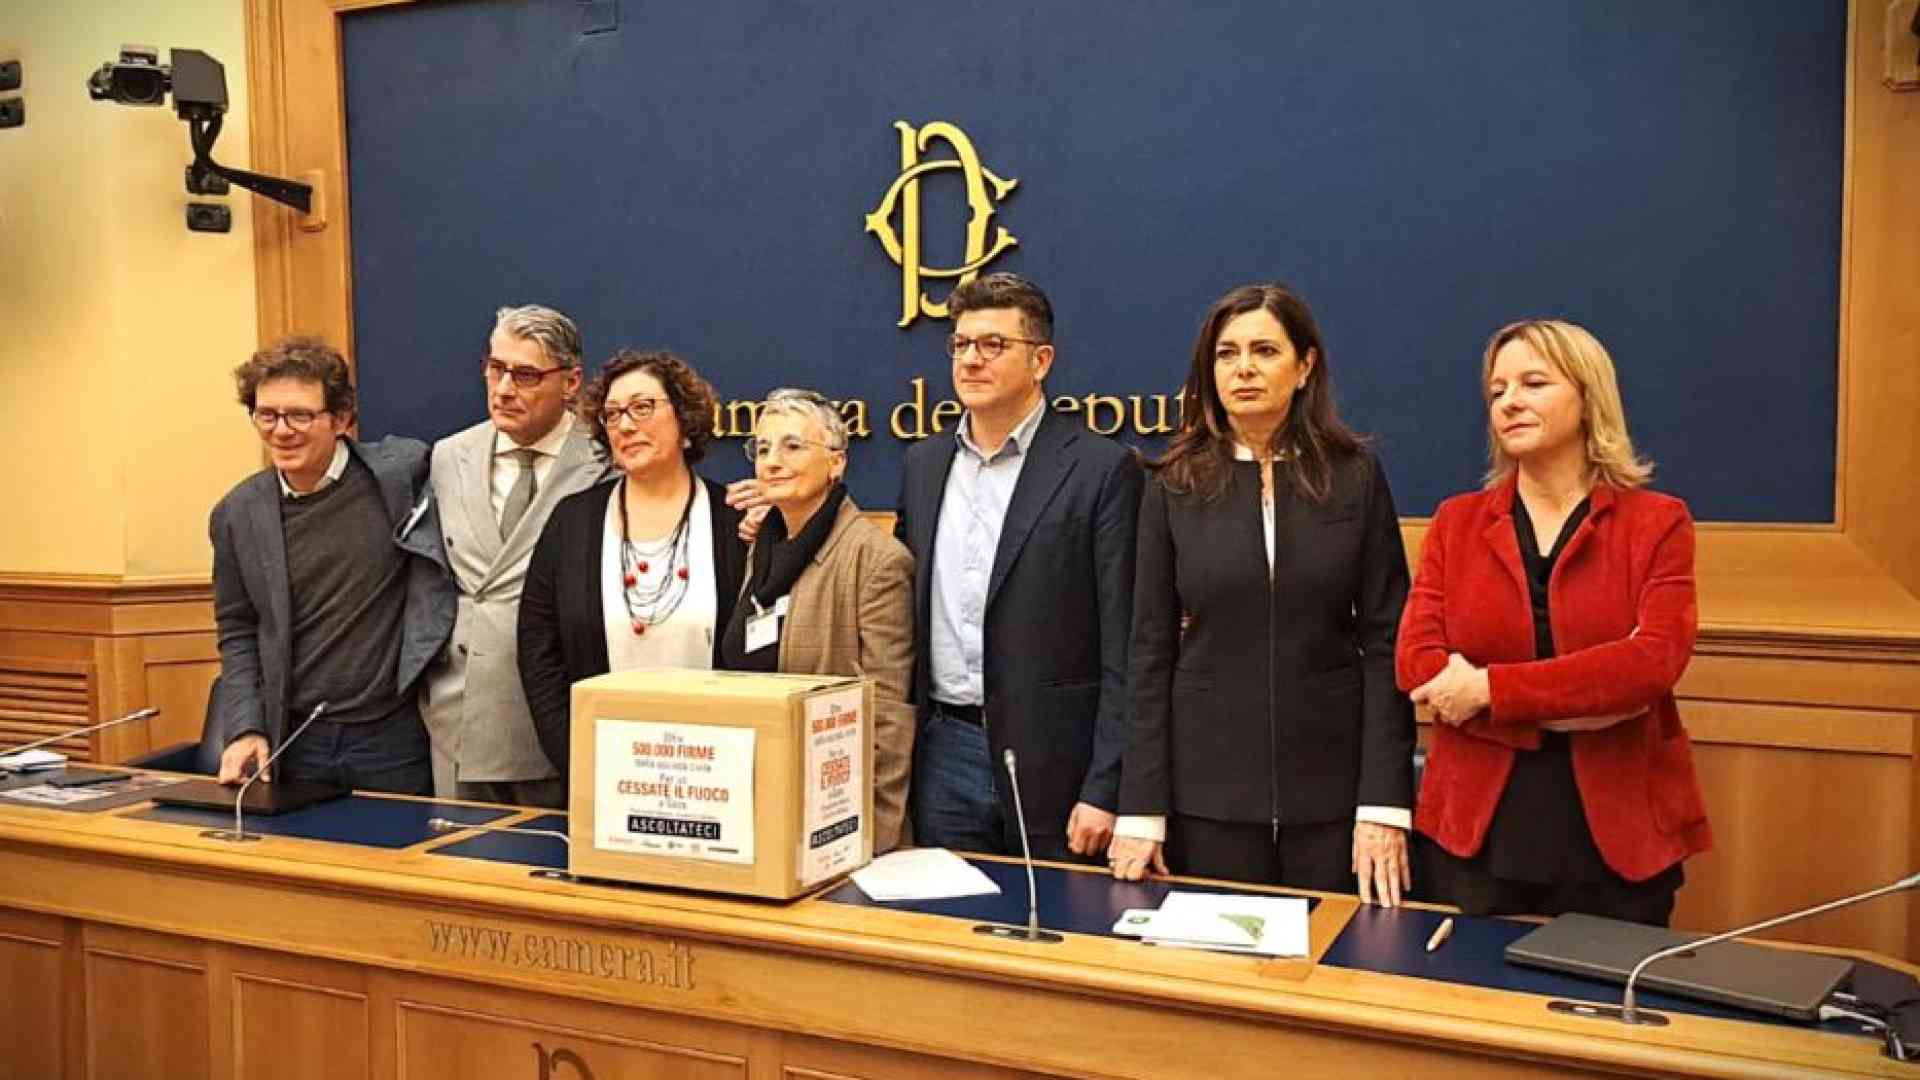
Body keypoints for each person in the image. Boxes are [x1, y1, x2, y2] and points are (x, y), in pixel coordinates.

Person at [1107, 284, 1415, 903]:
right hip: (1208, 796)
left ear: (1304, 367)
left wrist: (1384, 803)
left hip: (1333, 796)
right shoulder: (1173, 484)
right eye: (1227, 353)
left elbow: (1389, 642)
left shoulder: (1355, 477)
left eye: (1265, 350)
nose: (1243, 368)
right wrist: (1141, 807)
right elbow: (1148, 651)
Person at [1398, 319, 1712, 925]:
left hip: (1617, 841)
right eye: (1498, 390)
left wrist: (1487, 690)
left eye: (1534, 383)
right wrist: (1587, 701)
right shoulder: (1456, 522)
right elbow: (1417, 662)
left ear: (1588, 397)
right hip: (1476, 833)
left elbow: (1649, 666)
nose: (1509, 401)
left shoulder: (1658, 522)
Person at [895, 272, 1142, 863]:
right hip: (945, 752)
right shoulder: (924, 464)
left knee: (1063, 918)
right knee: (947, 919)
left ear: (1041, 360)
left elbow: (1126, 644)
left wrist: (1107, 785)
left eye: (993, 345)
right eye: (960, 344)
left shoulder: (1099, 469)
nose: (970, 360)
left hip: (1059, 763)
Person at [209, 337, 455, 794]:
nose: (282, 431)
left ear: (340, 419)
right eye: (267, 415)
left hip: (393, 735)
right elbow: (238, 629)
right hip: (295, 738)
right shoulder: (237, 514)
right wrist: (245, 726)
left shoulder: (400, 474)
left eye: (300, 415)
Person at [517, 349, 748, 786]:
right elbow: (538, 648)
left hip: (721, 770)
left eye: (642, 407)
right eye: (612, 414)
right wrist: (575, 757)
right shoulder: (573, 521)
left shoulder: (736, 521)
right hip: (603, 770)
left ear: (685, 420)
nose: (624, 425)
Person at [421, 305, 613, 808]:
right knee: (458, 853)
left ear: (571, 382)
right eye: (495, 368)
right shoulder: (450, 455)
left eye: (525, 375)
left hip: (552, 710)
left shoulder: (607, 459)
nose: (504, 389)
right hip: (457, 708)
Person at [717, 389, 915, 852]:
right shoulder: (762, 547)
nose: (772, 462)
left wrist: (869, 835)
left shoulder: (877, 560)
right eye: (762, 449)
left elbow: (886, 714)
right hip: (755, 801)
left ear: (837, 462)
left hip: (833, 817)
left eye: (792, 446)